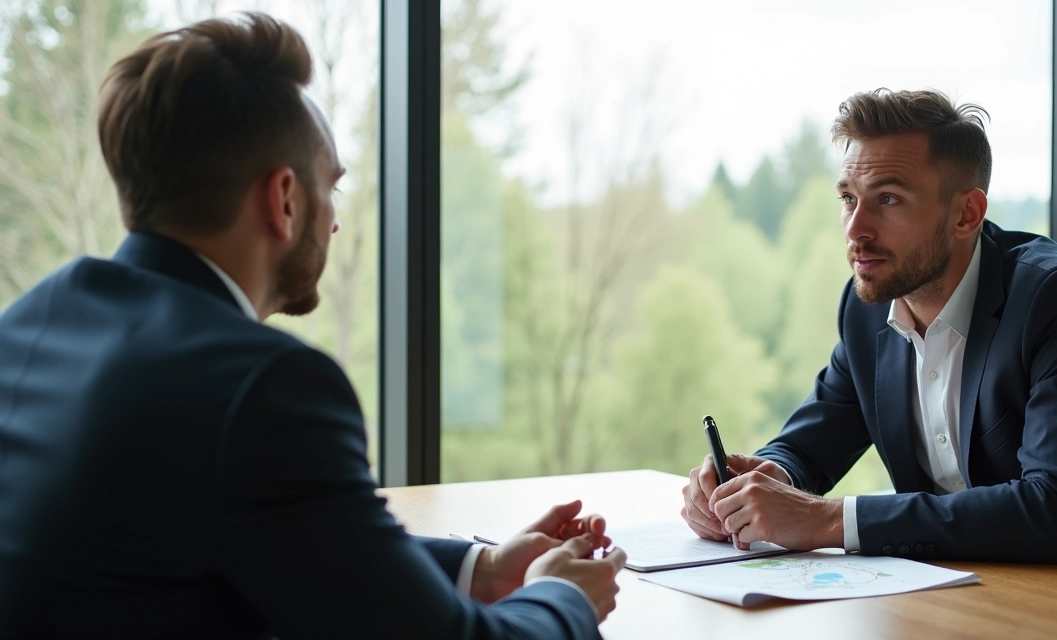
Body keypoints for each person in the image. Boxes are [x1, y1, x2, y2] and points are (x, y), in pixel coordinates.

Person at [0, 12, 625, 638]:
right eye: (332, 187)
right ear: (285, 199)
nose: (334, 223)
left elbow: (289, 535)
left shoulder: (33, 320)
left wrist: (480, 568)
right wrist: (561, 596)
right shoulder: (263, 388)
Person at [681, 88, 1057, 586]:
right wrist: (763, 482)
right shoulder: (868, 310)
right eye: (847, 198)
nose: (855, 229)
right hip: (967, 597)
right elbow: (813, 444)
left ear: (966, 214)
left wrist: (828, 520)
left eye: (887, 199)